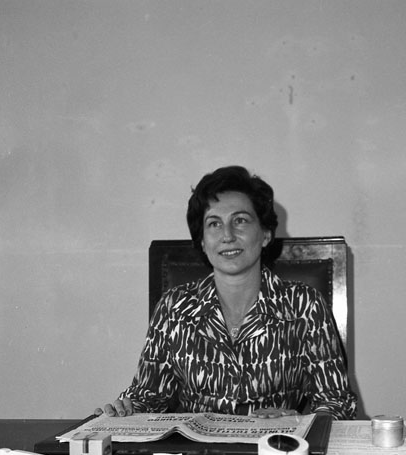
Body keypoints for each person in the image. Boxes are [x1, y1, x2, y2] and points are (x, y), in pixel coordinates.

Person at [97, 165, 358, 419]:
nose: (227, 235)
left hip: (274, 444)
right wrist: (125, 410)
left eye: (240, 221)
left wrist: (297, 419)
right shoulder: (174, 306)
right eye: (214, 224)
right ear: (202, 241)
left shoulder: (303, 304)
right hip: (194, 449)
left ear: (265, 234)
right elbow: (149, 396)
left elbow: (336, 401)